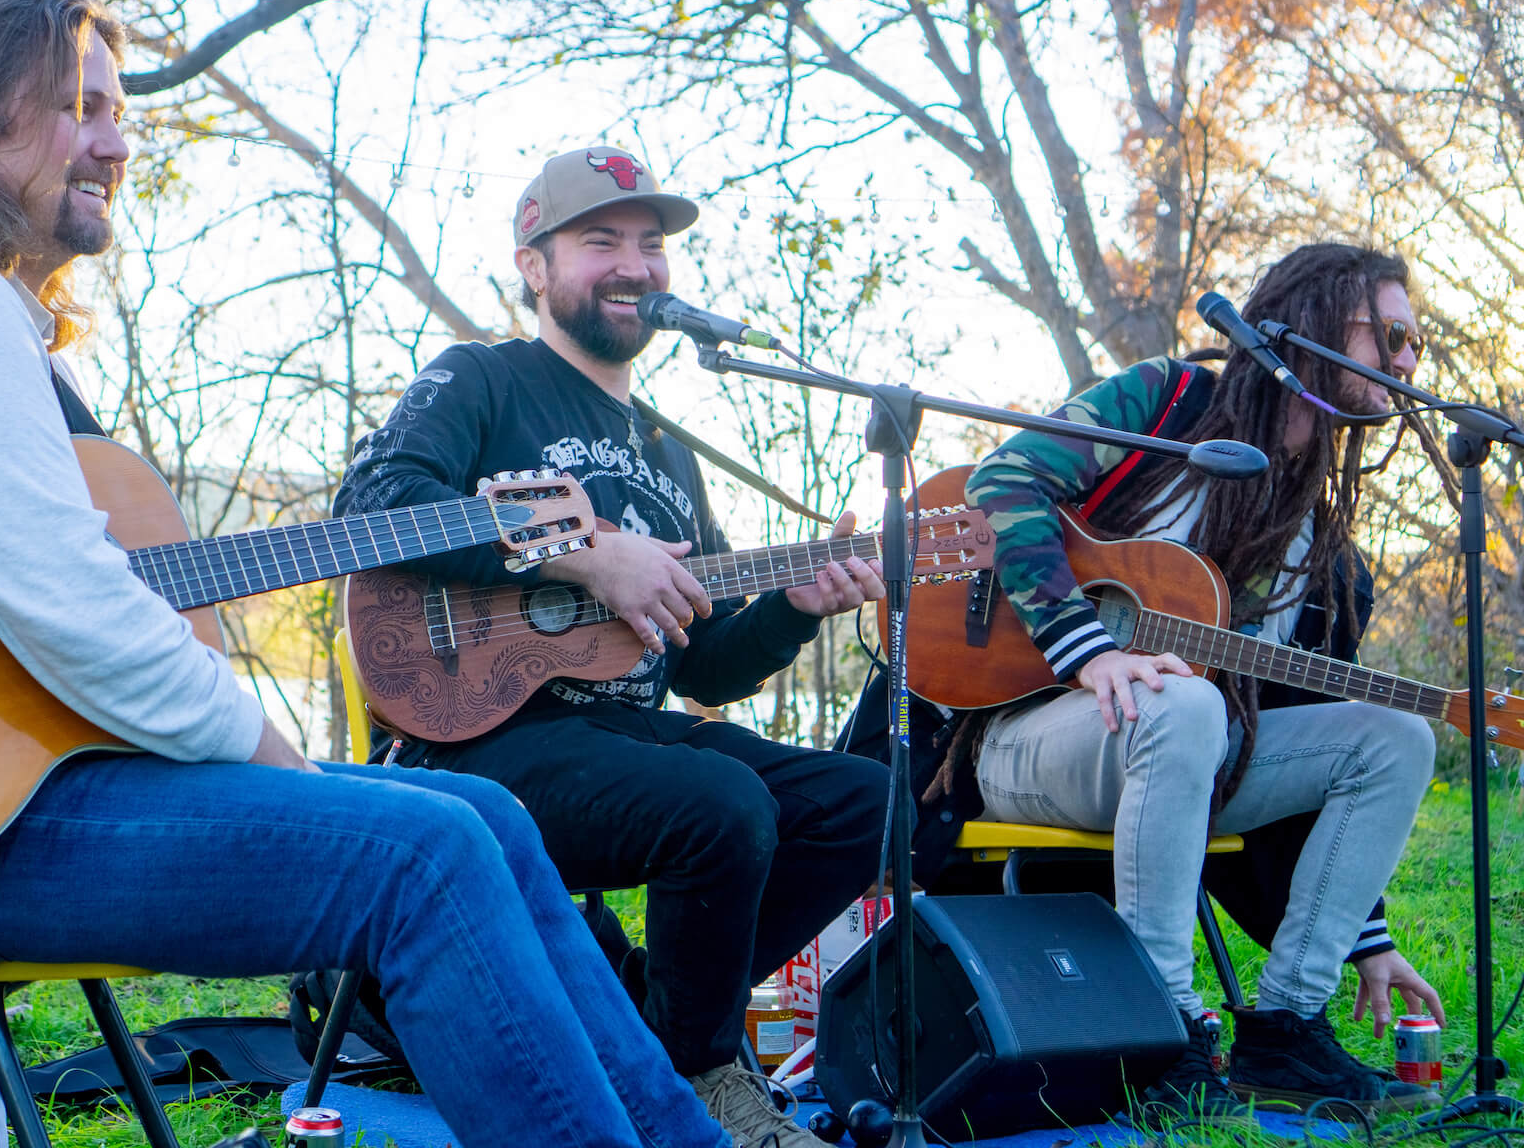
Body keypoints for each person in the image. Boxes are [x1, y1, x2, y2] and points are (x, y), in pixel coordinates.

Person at [0, 0, 746, 1148]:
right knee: (417, 855)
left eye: (121, 112)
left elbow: (25, 590)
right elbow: (71, 606)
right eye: (83, 106)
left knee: (486, 813)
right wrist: (272, 759)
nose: (119, 142)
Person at [334, 146, 892, 1148]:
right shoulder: (483, 379)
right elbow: (373, 504)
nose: (635, 264)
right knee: (719, 805)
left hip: (630, 735)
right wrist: (587, 556)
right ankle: (693, 1080)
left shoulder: (668, 449)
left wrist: (797, 605)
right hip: (479, 733)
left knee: (863, 802)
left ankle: (643, 1019)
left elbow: (708, 661)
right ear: (535, 265)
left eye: (651, 244)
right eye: (601, 241)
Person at [953, 244, 1446, 1117]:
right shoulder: (1168, 401)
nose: (1410, 362)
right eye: (1394, 334)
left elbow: (1299, 713)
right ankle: (1164, 1025)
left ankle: (1287, 1027)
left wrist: (1369, 936)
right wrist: (1087, 645)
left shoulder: (1319, 541)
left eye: (1418, 342)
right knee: (1182, 701)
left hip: (1186, 755)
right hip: (1028, 738)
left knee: (1395, 734)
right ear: (1321, 323)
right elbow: (1005, 476)